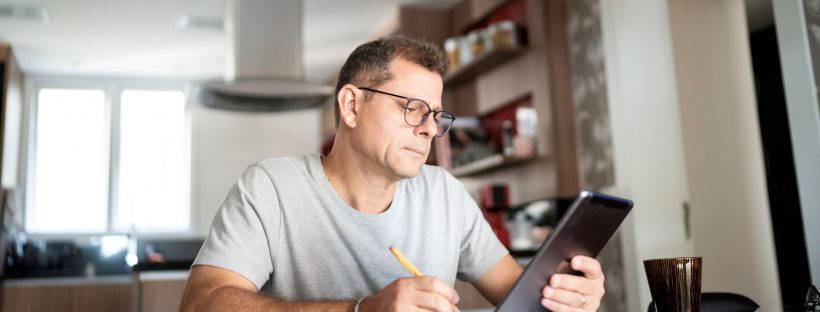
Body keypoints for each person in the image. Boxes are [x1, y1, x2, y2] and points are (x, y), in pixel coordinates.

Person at [180, 35, 605, 312]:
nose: (428, 128)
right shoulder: (271, 187)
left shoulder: (444, 194)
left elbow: (519, 295)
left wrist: (566, 294)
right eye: (412, 108)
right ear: (351, 106)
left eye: (436, 115)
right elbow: (202, 304)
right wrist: (362, 310)